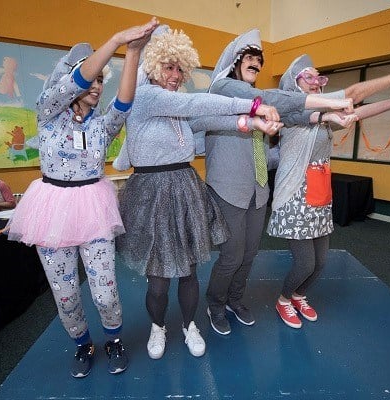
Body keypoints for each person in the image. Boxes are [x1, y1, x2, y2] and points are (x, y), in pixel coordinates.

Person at [113, 25, 281, 359]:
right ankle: (158, 327)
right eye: (168, 67)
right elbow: (199, 103)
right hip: (151, 194)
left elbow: (210, 120)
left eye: (179, 69)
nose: (175, 75)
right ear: (153, 65)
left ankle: (190, 325)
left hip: (185, 191)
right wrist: (253, 107)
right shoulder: (146, 97)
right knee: (159, 279)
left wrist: (252, 124)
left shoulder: (176, 109)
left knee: (188, 271)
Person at [6, 18, 159, 378]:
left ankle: (114, 340)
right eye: (91, 77)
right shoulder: (49, 112)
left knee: (105, 293)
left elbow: (124, 101)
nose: (96, 84)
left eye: (101, 79)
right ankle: (82, 344)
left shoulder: (100, 125)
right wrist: (116, 39)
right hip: (51, 209)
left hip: (92, 208)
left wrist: (132, 52)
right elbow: (75, 79)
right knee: (66, 294)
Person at [204, 28, 362, 336]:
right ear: (236, 61)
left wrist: (287, 157)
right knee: (232, 255)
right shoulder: (223, 88)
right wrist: (328, 102)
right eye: (250, 58)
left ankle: (235, 300)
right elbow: (266, 99)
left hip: (257, 190)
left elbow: (262, 153)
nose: (256, 64)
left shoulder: (261, 104)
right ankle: (215, 304)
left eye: (259, 61)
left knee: (249, 254)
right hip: (228, 189)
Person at [268, 54, 390, 328]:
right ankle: (283, 300)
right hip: (294, 197)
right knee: (305, 264)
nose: (316, 82)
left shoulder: (324, 114)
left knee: (320, 263)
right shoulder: (291, 112)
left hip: (319, 194)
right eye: (309, 77)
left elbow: (358, 111)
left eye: (319, 77)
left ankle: (298, 294)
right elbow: (339, 104)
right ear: (293, 84)